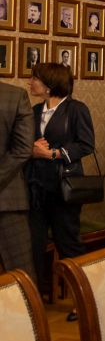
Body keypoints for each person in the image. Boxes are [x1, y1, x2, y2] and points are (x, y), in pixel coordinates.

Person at [26, 63, 95, 317]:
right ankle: (34, 303)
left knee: (69, 245)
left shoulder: (76, 109)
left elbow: (86, 145)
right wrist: (32, 150)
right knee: (33, 246)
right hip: (35, 189)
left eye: (34, 78)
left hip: (64, 188)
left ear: (49, 83)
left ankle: (83, 300)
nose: (30, 82)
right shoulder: (35, 110)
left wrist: (54, 154)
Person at [0, 80, 36, 281]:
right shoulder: (15, 95)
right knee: (22, 278)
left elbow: (23, 150)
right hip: (8, 197)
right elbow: (22, 150)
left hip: (7, 203)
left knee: (21, 278)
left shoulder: (14, 96)